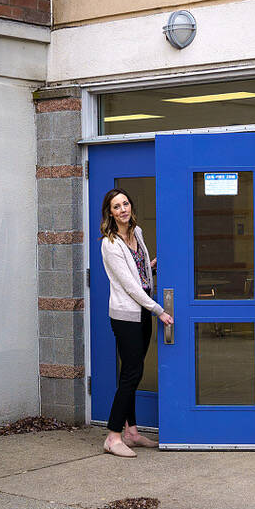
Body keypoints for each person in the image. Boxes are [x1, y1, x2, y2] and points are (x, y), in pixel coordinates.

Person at [99, 187, 174, 457]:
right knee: (131, 374)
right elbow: (130, 286)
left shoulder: (137, 232)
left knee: (133, 372)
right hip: (126, 316)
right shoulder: (110, 243)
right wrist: (159, 311)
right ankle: (113, 435)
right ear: (110, 212)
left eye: (126, 204)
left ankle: (131, 433)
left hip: (141, 312)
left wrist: (149, 266)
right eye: (116, 206)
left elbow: (138, 271)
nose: (123, 209)